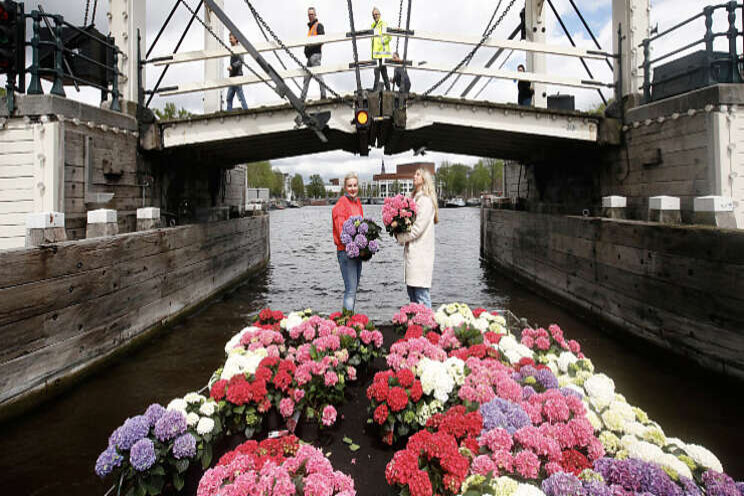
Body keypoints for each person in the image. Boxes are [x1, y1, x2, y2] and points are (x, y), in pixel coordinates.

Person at [396, 168, 439, 308]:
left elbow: (417, 229)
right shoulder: (415, 199)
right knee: (413, 293)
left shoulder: (425, 201)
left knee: (421, 294)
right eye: (414, 174)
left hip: (421, 254)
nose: (414, 176)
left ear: (424, 179)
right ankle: (417, 327)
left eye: (418, 174)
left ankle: (428, 327)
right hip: (414, 254)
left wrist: (401, 237)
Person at [332, 172, 364, 312]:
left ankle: (348, 322)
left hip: (357, 252)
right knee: (350, 290)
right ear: (345, 187)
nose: (352, 188)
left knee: (353, 289)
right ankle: (347, 325)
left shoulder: (357, 203)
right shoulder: (341, 204)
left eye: (355, 185)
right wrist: (352, 246)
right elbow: (341, 232)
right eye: (350, 186)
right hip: (346, 252)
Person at [300, 6, 327, 101]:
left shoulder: (318, 25)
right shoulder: (310, 28)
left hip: (315, 55)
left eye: (312, 14)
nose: (310, 16)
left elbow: (321, 39)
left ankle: (323, 95)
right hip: (310, 57)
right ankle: (302, 98)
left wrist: (310, 48)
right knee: (306, 78)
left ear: (315, 15)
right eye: (309, 14)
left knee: (318, 75)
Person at [226, 33, 248, 111]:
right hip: (232, 76)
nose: (229, 40)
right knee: (229, 97)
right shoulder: (233, 49)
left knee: (240, 95)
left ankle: (246, 110)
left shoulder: (239, 48)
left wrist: (232, 66)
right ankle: (229, 112)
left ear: (236, 39)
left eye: (231, 38)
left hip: (237, 75)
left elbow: (241, 61)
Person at [371, 7, 392, 91]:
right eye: (374, 15)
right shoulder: (373, 26)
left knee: (376, 72)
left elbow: (389, 36)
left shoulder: (383, 24)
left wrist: (382, 42)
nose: (375, 16)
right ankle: (388, 89)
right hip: (376, 54)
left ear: (380, 15)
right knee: (384, 73)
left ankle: (374, 90)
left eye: (376, 14)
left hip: (381, 53)